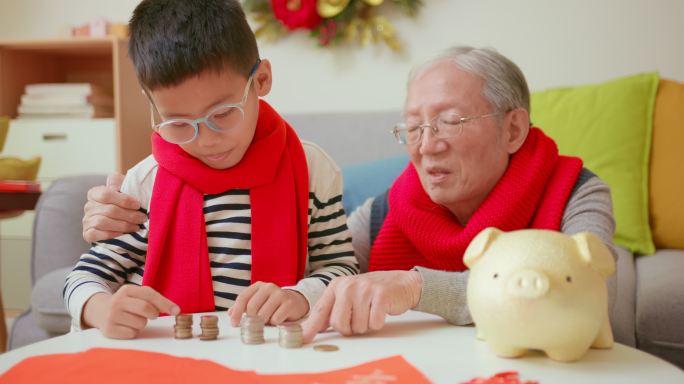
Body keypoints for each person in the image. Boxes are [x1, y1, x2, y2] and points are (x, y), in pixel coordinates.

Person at [82, 46, 619, 342]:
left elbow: (584, 296)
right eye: (412, 127)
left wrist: (414, 287)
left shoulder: (577, 193)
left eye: (449, 122)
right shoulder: (387, 209)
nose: (426, 147)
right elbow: (329, 274)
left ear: (513, 129)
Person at [65, 0, 358, 340]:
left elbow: (342, 270)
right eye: (176, 123)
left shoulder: (312, 168)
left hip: (270, 355)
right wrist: (102, 308)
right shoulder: (146, 181)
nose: (206, 141)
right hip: (171, 355)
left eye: (222, 114)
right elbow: (85, 276)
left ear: (261, 80)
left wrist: (298, 297)